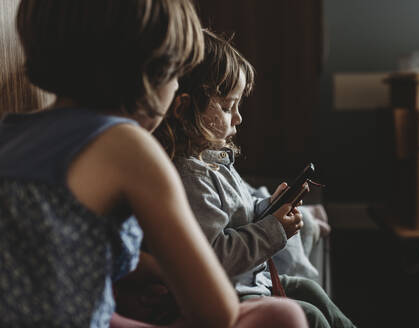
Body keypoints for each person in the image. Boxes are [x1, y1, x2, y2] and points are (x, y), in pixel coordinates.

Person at [0, 1, 308, 327]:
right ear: (148, 73)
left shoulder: (9, 133)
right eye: (177, 74)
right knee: (281, 314)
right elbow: (216, 312)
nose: (177, 88)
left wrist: (153, 270)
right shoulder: (131, 148)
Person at [154, 29, 357, 328]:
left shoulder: (214, 161)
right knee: (309, 316)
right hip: (225, 294)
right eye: (226, 107)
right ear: (183, 109)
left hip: (248, 282)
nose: (237, 118)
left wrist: (267, 208)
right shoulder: (189, 179)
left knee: (310, 290)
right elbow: (214, 257)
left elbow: (238, 216)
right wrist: (272, 230)